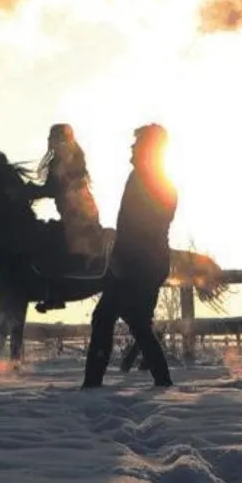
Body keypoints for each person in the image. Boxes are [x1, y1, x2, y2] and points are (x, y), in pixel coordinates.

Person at [82, 123, 176, 389]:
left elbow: (143, 228)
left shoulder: (151, 182)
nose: (132, 148)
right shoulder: (149, 180)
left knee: (107, 318)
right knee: (137, 324)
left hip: (136, 266)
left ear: (149, 148)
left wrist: (122, 260)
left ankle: (92, 385)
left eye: (137, 144)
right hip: (143, 264)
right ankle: (162, 382)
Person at [28, 124, 104, 311]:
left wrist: (28, 191)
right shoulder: (65, 160)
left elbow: (52, 189)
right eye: (53, 140)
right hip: (74, 216)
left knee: (52, 243)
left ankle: (56, 295)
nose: (54, 144)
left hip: (80, 219)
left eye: (56, 140)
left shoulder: (69, 162)